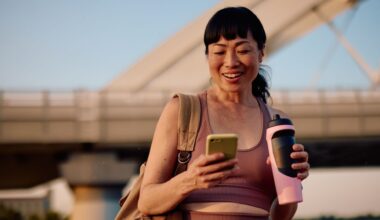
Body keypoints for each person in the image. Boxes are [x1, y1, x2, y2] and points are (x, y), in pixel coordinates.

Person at [138, 6, 309, 220]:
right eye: (219, 52)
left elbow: (280, 217)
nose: (230, 62)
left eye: (243, 50)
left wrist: (292, 182)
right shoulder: (183, 110)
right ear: (207, 56)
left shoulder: (277, 122)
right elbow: (146, 201)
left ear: (261, 53)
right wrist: (191, 180)